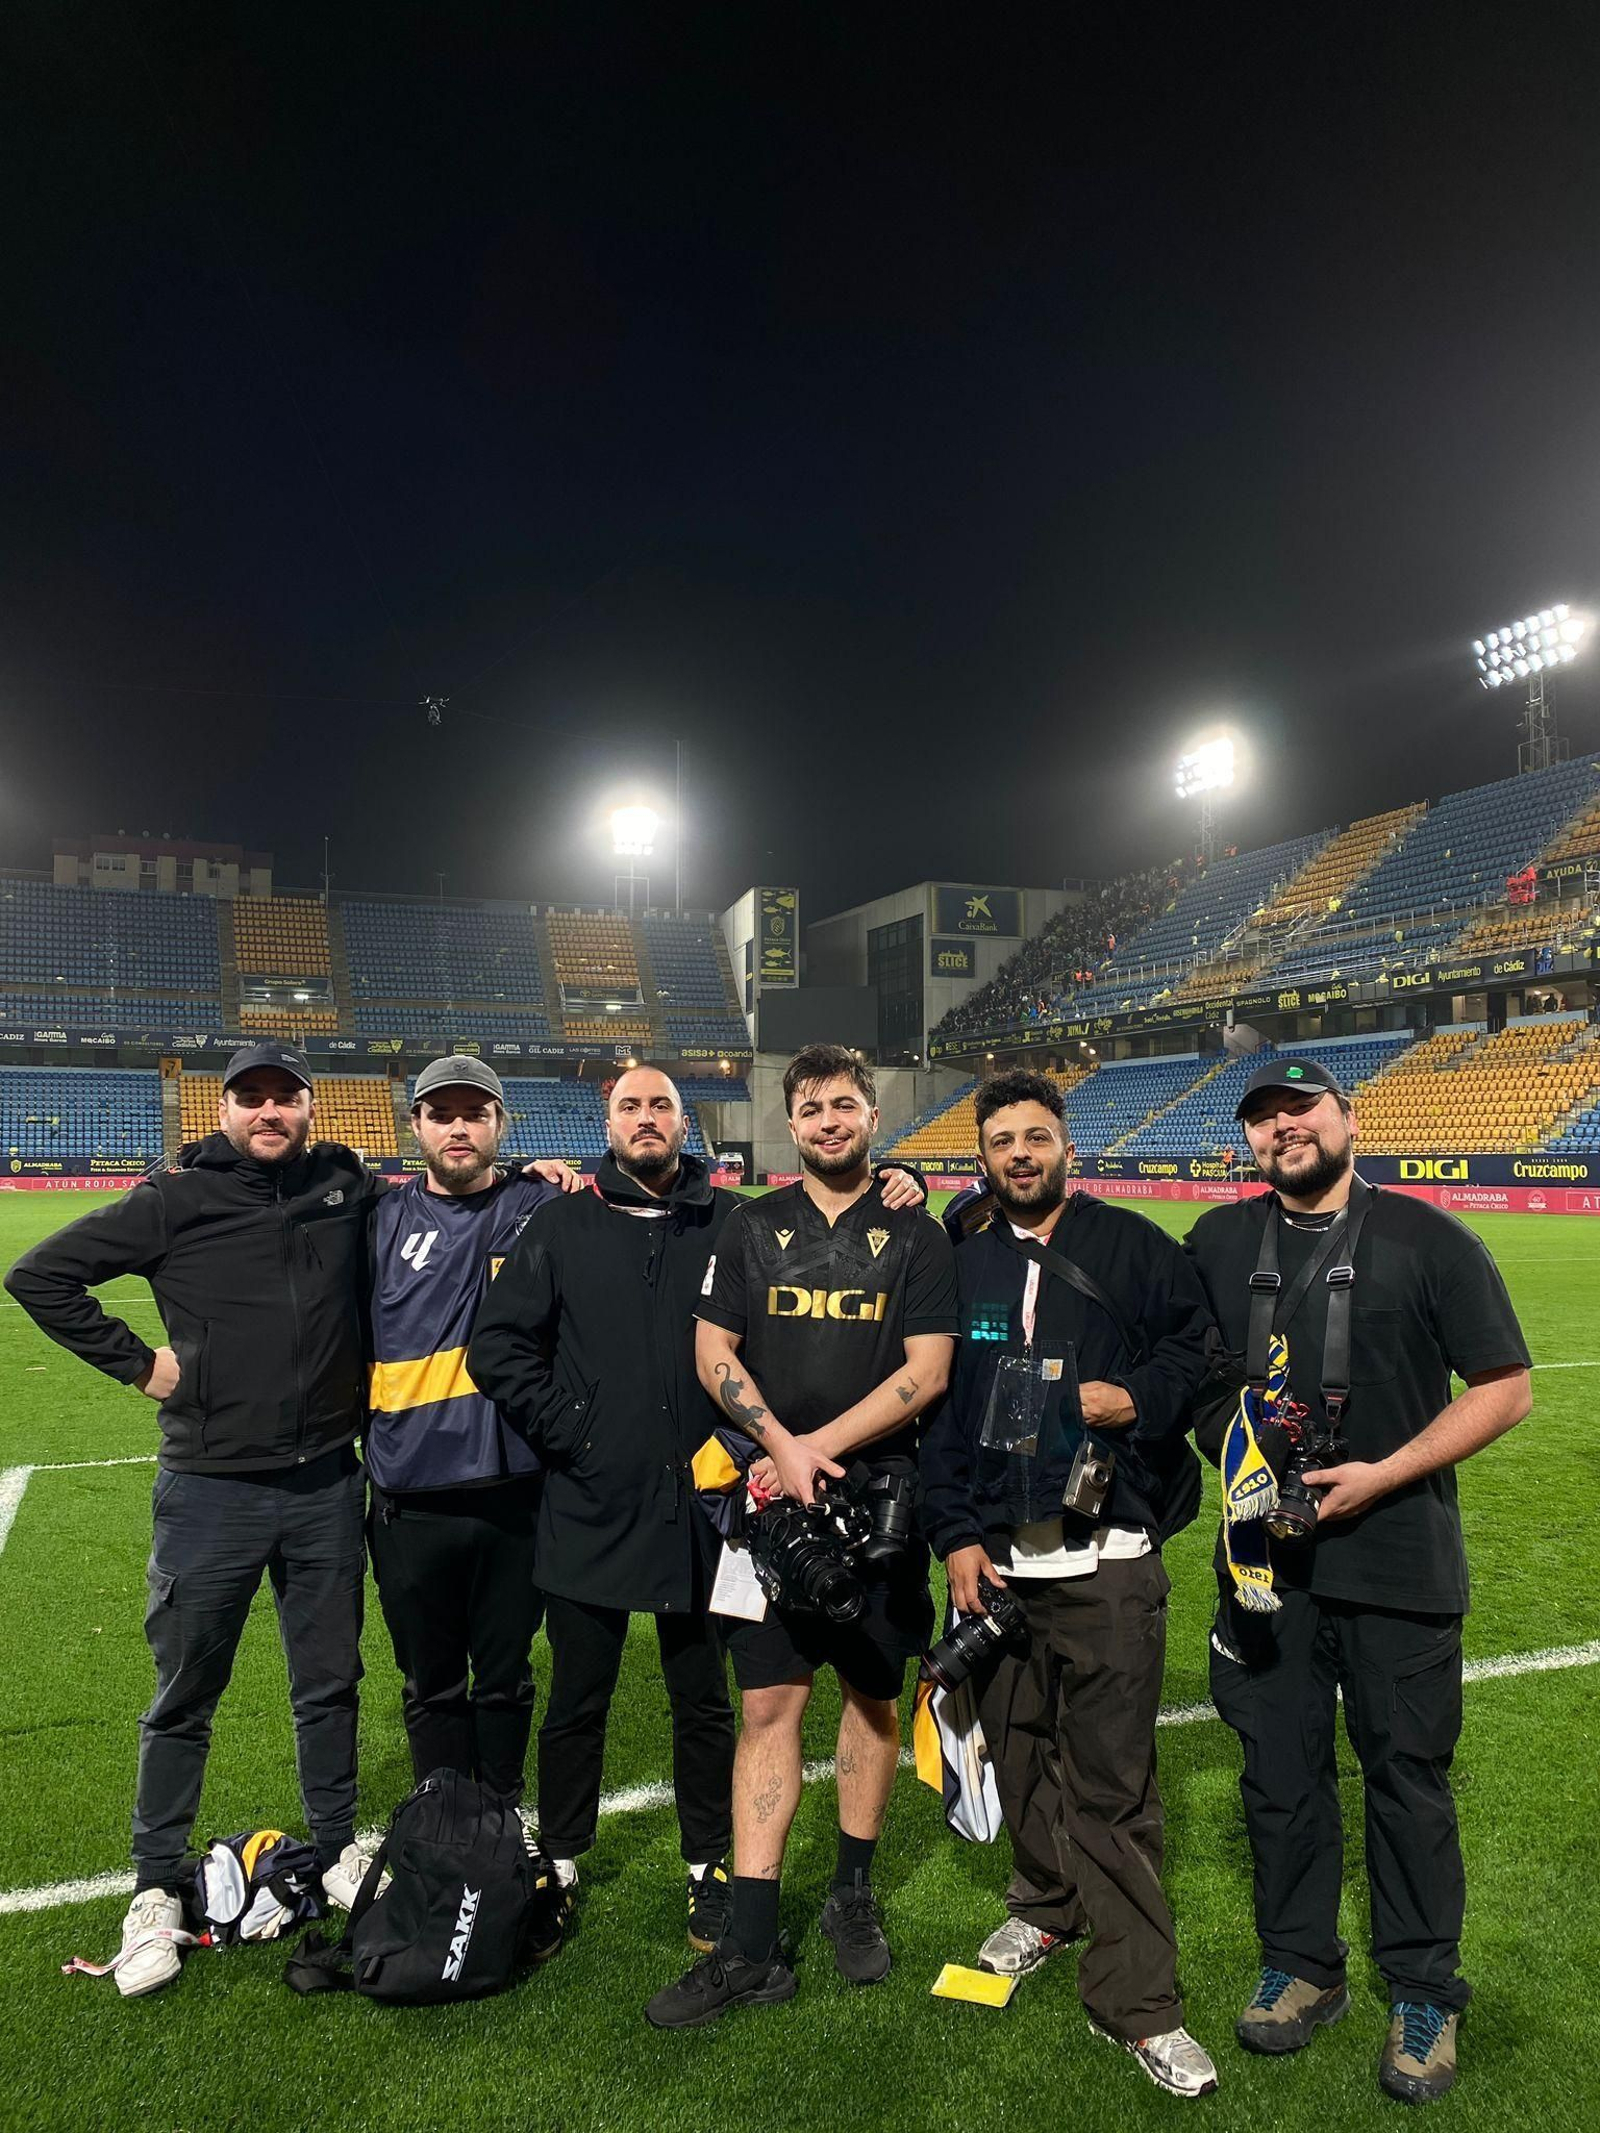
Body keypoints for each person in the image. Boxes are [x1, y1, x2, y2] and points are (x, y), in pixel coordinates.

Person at [1185, 1056, 1532, 2106]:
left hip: (1398, 1561)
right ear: (1248, 1139)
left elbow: (1505, 1388)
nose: (1284, 1128)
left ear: (1349, 1118)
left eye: (1303, 1109)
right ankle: (1301, 1966)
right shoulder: (1214, 1243)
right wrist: (1235, 1448)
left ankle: (1423, 1991)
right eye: (1263, 1117)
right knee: (1278, 1775)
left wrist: (1384, 1472)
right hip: (1266, 1565)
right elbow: (1187, 1374)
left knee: (1407, 1779)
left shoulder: (1428, 1237)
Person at [4, 1042, 384, 1997]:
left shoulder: (345, 1184)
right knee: (184, 1693)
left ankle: (338, 1845)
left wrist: (543, 1177)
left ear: (311, 1106)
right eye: (252, 1097)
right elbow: (40, 1275)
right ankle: (153, 1884)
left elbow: (444, 1208)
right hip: (211, 1491)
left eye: (286, 1096)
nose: (270, 1111)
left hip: (327, 1484)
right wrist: (140, 1363)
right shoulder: (176, 1198)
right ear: (223, 1108)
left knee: (329, 1681)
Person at [920, 1069, 1220, 2100]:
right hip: (998, 1561)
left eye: (1036, 1136)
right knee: (1019, 1752)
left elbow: (1199, 1351)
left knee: (1112, 1782)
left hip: (1108, 1556)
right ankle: (1047, 1904)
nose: (1020, 1153)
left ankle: (1139, 2002)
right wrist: (955, 1538)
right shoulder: (959, 1263)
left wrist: (1132, 1395)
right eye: (1002, 1140)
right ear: (982, 1158)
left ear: (1066, 1147)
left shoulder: (1133, 1245)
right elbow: (938, 1420)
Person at [645, 1043, 957, 2030]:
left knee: (872, 1700)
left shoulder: (916, 1233)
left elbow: (929, 1371)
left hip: (879, 1507)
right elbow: (712, 1349)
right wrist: (782, 1447)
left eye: (845, 1105)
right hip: (769, 1506)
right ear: (792, 1123)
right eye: (812, 1108)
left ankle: (851, 1894)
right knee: (767, 1707)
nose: (829, 1121)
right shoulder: (750, 1227)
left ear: (872, 1115)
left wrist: (817, 1447)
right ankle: (749, 1944)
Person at [364, 1055, 568, 1808]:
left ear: (500, 1126)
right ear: (415, 1125)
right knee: (430, 1682)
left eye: (475, 1114)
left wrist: (887, 1180)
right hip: (409, 1496)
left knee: (506, 1677)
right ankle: (443, 1824)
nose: (458, 1128)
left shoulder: (541, 1203)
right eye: (441, 1114)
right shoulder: (376, 1220)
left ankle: (504, 1817)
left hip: (515, 1493)